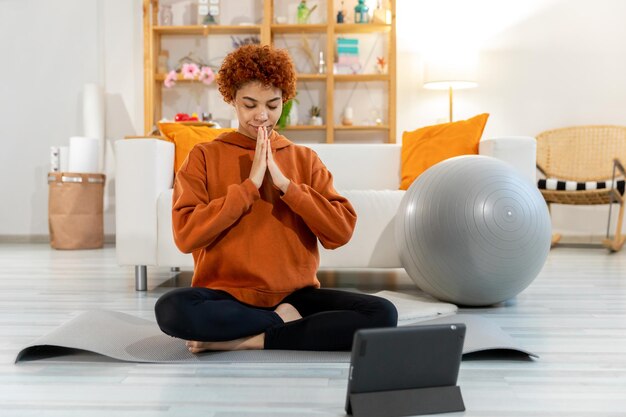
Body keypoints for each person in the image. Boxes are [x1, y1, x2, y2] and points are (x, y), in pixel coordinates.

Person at [154, 44, 397, 352]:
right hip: (227, 295)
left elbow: (340, 232)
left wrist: (287, 186)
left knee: (383, 314)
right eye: (250, 104)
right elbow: (186, 236)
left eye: (272, 105)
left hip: (295, 297)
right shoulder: (204, 155)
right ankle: (284, 326)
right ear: (232, 100)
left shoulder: (304, 158)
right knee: (171, 309)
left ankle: (249, 339)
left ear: (285, 100)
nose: (261, 116)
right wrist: (249, 186)